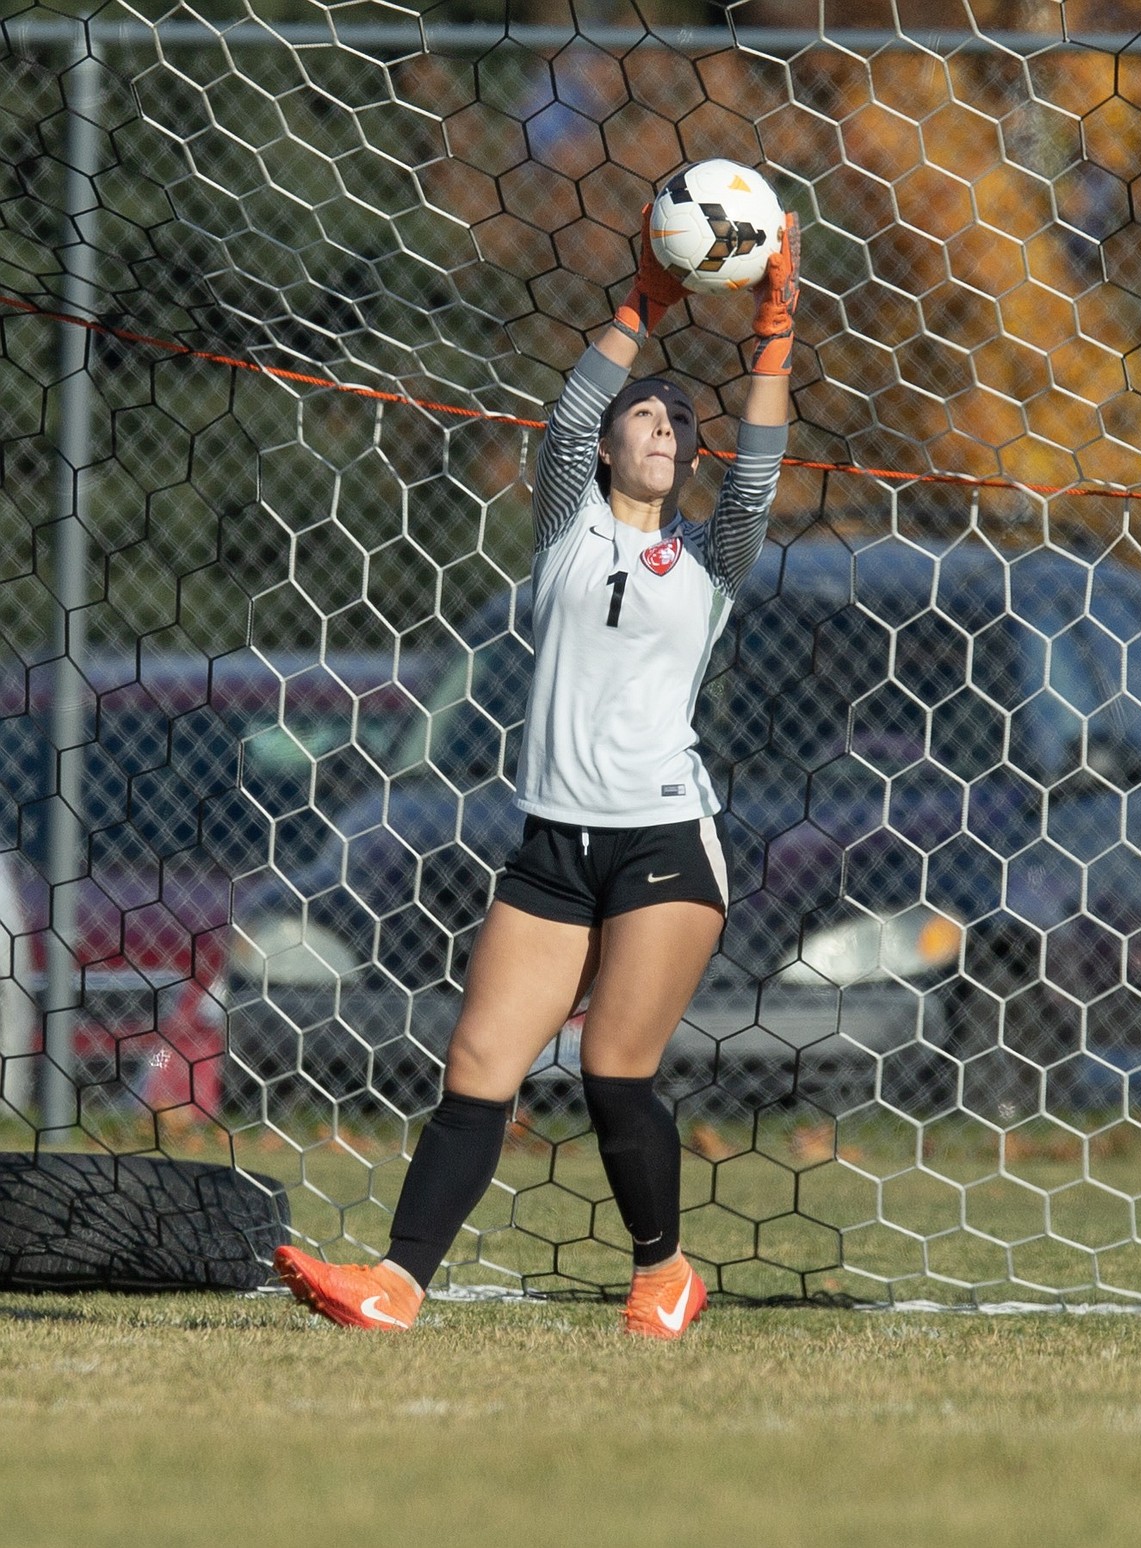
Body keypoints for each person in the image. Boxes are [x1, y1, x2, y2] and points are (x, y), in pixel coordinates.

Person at [274, 197, 800, 1338]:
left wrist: (774, 329)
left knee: (614, 1069)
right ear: (611, 441)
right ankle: (397, 1287)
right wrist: (640, 307)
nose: (666, 425)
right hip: (552, 844)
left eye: (680, 422)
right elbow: (563, 422)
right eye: (646, 413)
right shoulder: (568, 526)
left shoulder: (709, 559)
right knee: (480, 1063)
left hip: (664, 839)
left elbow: (757, 468)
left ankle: (663, 1273)